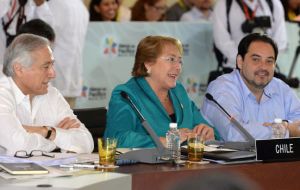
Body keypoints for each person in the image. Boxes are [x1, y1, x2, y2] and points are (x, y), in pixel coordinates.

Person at [105, 35, 218, 148]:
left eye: (180, 61)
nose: (178, 67)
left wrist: (209, 133)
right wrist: (166, 141)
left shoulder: (179, 91)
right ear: (148, 63)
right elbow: (117, 139)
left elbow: (206, 129)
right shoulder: (126, 95)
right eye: (171, 59)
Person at [0, 34, 94, 155]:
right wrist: (55, 138)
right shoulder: (2, 93)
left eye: (52, 65)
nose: (53, 74)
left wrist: (47, 131)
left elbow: (86, 143)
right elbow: (19, 147)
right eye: (45, 67)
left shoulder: (52, 94)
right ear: (19, 69)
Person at [202, 33, 300, 142]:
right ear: (240, 62)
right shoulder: (222, 88)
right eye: (256, 59)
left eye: (269, 61)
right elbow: (235, 133)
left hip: (278, 159)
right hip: (236, 159)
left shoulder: (281, 88)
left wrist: (285, 125)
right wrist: (284, 130)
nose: (263, 67)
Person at [212, 0, 287, 70]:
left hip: (266, 71)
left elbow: (280, 41)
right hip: (234, 68)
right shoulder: (224, 4)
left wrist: (265, 62)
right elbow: (222, 41)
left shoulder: (274, 3)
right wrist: (246, 63)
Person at [48, 0, 89, 108]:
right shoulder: (82, 7)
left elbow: (45, 39)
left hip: (54, 76)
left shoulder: (56, 4)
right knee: (67, 121)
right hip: (73, 76)